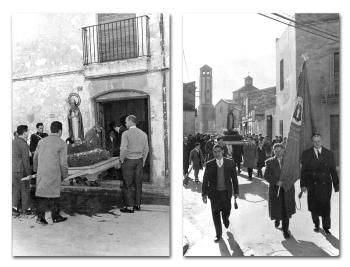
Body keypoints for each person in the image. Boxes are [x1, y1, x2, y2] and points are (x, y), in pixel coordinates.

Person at [300, 134, 339, 235]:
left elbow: (333, 171)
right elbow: (303, 171)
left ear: (321, 141)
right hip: (312, 185)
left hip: (325, 185)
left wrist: (337, 186)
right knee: (314, 206)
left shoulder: (329, 153)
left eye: (318, 141)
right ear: (312, 142)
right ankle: (316, 224)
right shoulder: (306, 154)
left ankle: (326, 228)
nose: (317, 144)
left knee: (326, 206)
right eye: (315, 142)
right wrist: (303, 185)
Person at [202, 144, 239, 242]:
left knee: (227, 210)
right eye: (214, 151)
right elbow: (205, 180)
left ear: (223, 151)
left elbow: (234, 179)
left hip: (226, 193)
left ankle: (226, 218)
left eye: (218, 151)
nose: (216, 153)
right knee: (215, 213)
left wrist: (236, 192)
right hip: (214, 193)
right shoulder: (209, 164)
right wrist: (204, 194)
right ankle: (218, 234)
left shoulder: (230, 162)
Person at [33, 121, 68, 225]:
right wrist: (65, 176)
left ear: (51, 130)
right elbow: (63, 163)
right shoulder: (62, 143)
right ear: (60, 131)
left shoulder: (41, 141)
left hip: (41, 172)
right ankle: (56, 216)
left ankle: (40, 218)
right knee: (55, 194)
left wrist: (36, 170)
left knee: (41, 194)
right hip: (53, 173)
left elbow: (35, 157)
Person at [264, 143, 295, 239]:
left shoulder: (289, 161)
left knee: (286, 211)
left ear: (283, 151)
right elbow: (266, 175)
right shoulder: (269, 162)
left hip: (287, 190)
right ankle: (277, 218)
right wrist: (276, 182)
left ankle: (285, 230)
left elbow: (294, 173)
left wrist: (287, 181)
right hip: (275, 190)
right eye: (276, 151)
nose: (278, 153)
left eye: (280, 151)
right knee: (278, 209)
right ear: (273, 151)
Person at [119, 115, 149, 213]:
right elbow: (146, 149)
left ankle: (129, 207)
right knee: (138, 184)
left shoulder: (125, 134)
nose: (125, 123)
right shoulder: (143, 134)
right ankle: (137, 205)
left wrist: (121, 160)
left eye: (126, 122)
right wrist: (143, 161)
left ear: (131, 122)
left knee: (127, 185)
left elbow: (123, 149)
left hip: (129, 161)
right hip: (139, 161)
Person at [12, 125, 32, 215]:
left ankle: (14, 208)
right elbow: (26, 160)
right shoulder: (24, 144)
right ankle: (26, 210)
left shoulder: (13, 142)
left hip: (13, 170)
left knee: (15, 189)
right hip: (22, 170)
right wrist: (29, 174)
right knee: (25, 189)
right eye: (27, 131)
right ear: (24, 133)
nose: (28, 133)